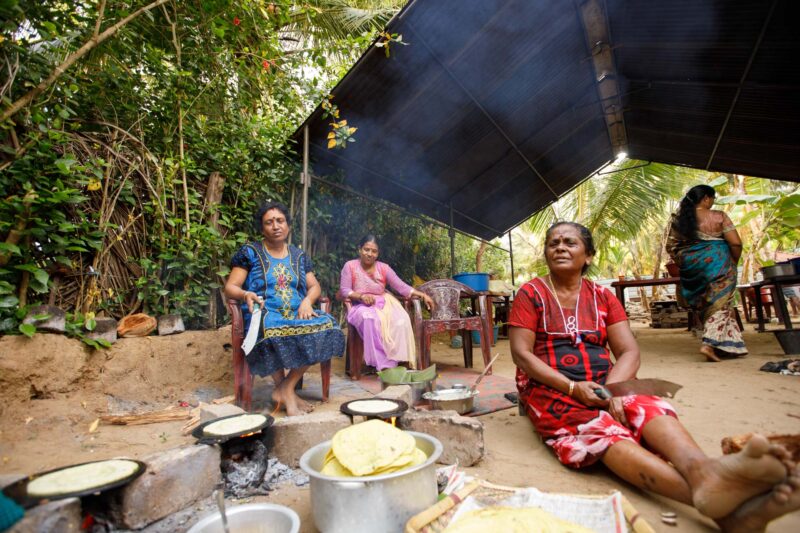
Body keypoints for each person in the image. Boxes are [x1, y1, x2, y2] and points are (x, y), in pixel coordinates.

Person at [509, 221, 799, 533]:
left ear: (589, 255)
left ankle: (704, 472)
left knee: (647, 404)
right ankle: (721, 509)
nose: (560, 248)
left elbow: (629, 352)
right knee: (600, 429)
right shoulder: (531, 293)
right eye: (553, 243)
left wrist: (614, 390)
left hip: (606, 379)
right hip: (551, 384)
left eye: (570, 242)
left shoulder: (603, 296)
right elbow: (522, 355)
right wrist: (571, 386)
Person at [224, 201, 345, 416]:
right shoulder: (250, 252)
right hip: (264, 313)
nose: (275, 226)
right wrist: (245, 294)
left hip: (297, 313)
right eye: (269, 223)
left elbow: (315, 286)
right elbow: (230, 286)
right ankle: (288, 393)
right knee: (271, 331)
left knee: (328, 326)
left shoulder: (298, 256)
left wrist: (307, 301)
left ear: (288, 225)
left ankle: (285, 388)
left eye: (280, 221)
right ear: (262, 228)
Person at [666, 184, 747, 361]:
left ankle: (730, 346)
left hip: (692, 266)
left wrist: (688, 261)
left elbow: (671, 247)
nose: (712, 202)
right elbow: (736, 243)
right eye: (712, 199)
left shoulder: (679, 221)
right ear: (705, 198)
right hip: (718, 262)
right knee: (722, 303)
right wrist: (732, 260)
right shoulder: (718, 216)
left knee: (708, 303)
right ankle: (709, 344)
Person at [339, 235, 434, 371]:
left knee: (402, 320)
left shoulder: (384, 268)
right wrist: (360, 297)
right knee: (370, 319)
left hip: (385, 304)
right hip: (360, 305)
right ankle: (384, 365)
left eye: (374, 251)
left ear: (378, 254)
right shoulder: (350, 266)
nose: (370, 254)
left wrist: (422, 294)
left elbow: (400, 286)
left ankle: (399, 360)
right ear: (359, 250)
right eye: (366, 249)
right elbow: (344, 290)